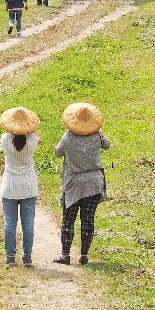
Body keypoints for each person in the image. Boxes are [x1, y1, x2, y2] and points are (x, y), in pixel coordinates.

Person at [53, 102, 110, 266]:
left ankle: (65, 255)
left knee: (68, 219)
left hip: (74, 184)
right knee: (88, 220)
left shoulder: (68, 136)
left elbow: (57, 152)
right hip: (94, 183)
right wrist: (98, 134)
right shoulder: (96, 134)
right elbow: (107, 145)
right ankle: (84, 255)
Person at [0, 106, 41, 267]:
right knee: (28, 224)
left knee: (10, 223)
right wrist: (32, 131)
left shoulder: (5, 138)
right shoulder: (32, 140)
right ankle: (27, 256)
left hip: (10, 186)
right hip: (28, 186)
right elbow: (37, 138)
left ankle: (10, 257)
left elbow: (8, 139)